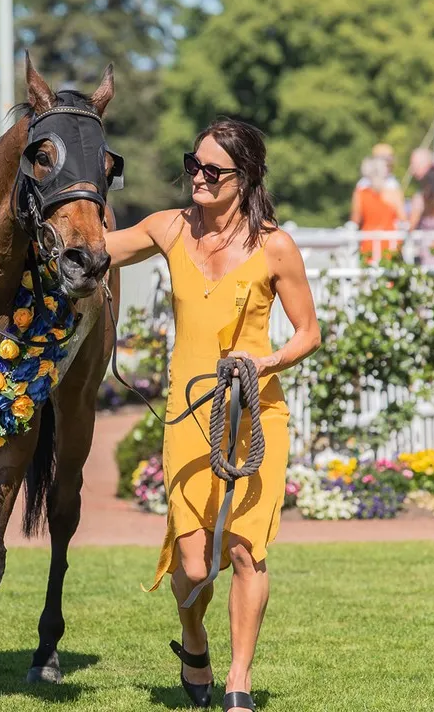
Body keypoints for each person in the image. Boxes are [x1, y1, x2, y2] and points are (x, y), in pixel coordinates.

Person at [105, 117, 321, 712]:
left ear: (245, 177)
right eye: (192, 165)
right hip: (188, 415)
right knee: (194, 560)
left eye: (212, 171)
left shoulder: (275, 245)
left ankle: (238, 683)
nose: (197, 178)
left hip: (255, 412)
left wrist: (267, 358)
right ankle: (194, 640)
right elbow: (96, 251)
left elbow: (310, 333)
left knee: (249, 549)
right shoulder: (170, 229)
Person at [350, 155, 407, 263]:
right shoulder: (393, 193)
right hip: (390, 241)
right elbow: (403, 218)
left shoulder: (360, 194)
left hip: (369, 240)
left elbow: (355, 220)